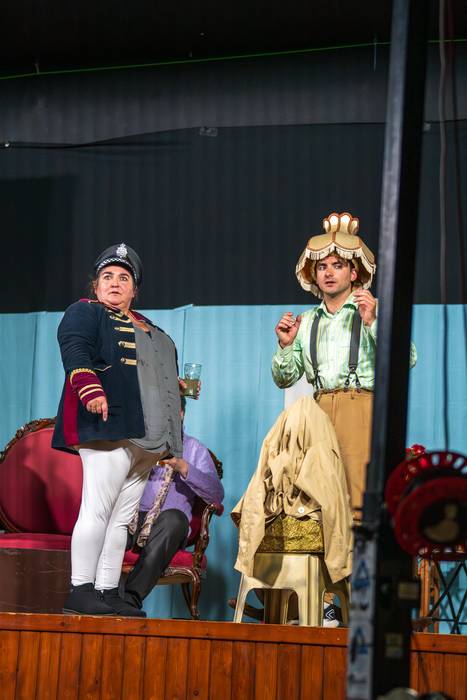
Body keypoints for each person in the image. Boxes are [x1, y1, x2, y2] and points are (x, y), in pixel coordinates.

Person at [271, 212, 417, 625]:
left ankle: (365, 605)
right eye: (322, 266)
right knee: (318, 508)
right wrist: (285, 345)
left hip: (360, 409)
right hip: (319, 412)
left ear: (355, 273)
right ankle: (327, 604)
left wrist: (373, 323)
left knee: (356, 509)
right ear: (313, 275)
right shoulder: (307, 322)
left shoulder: (372, 310)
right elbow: (285, 377)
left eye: (338, 265)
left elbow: (405, 359)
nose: (329, 272)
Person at [53, 242, 184, 617]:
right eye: (107, 276)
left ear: (134, 289)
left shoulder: (152, 329)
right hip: (107, 426)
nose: (114, 283)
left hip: (146, 437)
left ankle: (108, 591)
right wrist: (89, 388)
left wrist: (172, 419)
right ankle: (81, 589)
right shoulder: (85, 312)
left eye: (124, 278)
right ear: (95, 285)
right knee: (97, 510)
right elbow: (75, 348)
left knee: (122, 519)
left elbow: (154, 378)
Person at [123, 395, 224, 612]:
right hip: (133, 519)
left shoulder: (194, 449)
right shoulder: (139, 445)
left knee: (175, 519)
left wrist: (184, 467)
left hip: (167, 527)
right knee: (111, 519)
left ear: (180, 414)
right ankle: (99, 595)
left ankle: (129, 600)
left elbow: (217, 495)